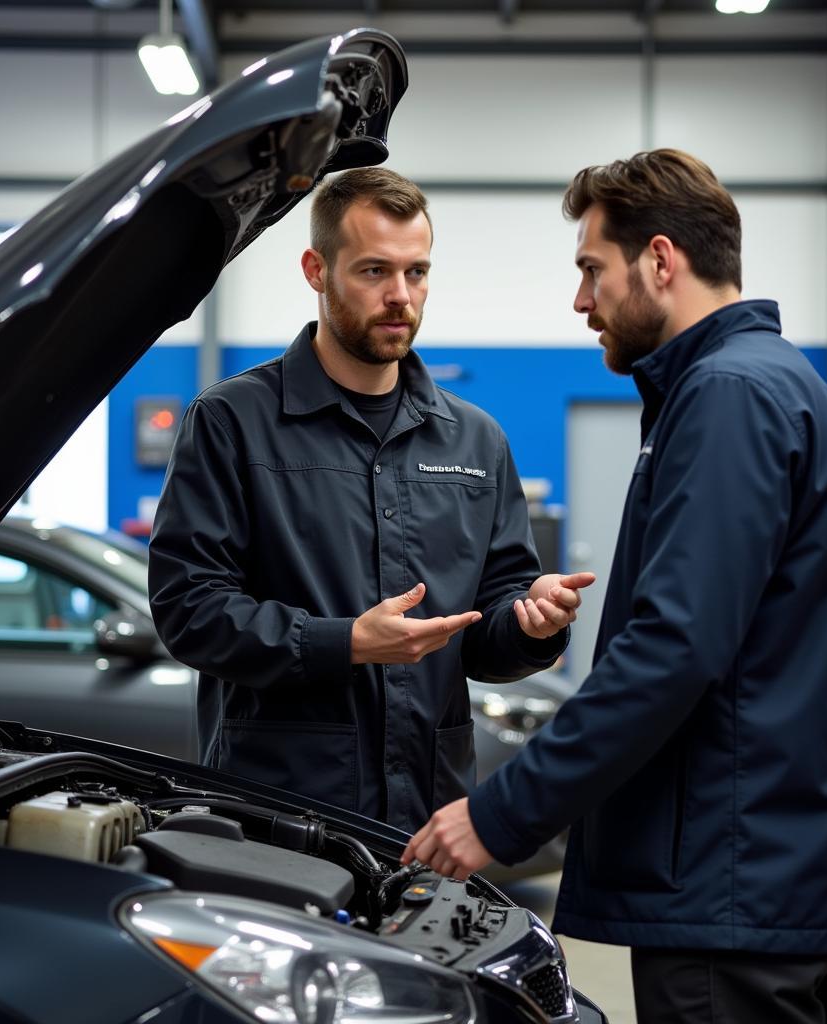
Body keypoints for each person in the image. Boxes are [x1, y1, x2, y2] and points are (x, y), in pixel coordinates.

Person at [403, 149, 827, 1023]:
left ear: (660, 260)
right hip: (785, 874)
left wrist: (500, 813)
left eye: (592, 269)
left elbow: (673, 649)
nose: (581, 301)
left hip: (733, 887)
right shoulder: (789, 388)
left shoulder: (729, 397)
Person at [148, 167, 595, 834]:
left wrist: (533, 626)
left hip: (428, 814)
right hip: (276, 811)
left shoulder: (475, 439)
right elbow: (190, 610)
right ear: (316, 270)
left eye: (416, 273)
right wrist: (346, 642)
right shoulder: (232, 422)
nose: (400, 296)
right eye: (374, 272)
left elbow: (486, 631)